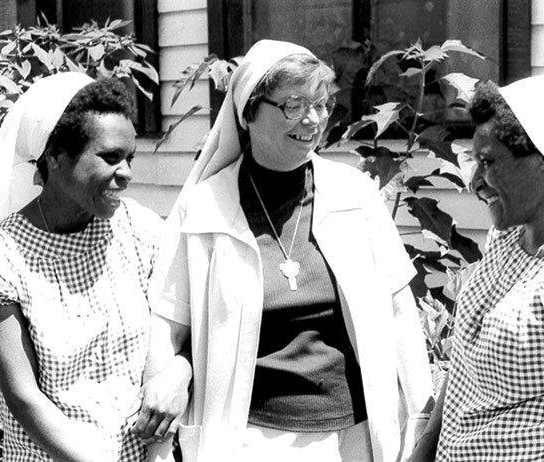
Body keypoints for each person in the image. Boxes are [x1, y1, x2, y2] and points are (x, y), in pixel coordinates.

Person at [146, 39, 434, 462]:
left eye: (321, 104)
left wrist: (423, 422)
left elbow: (398, 312)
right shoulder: (205, 207)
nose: (313, 119)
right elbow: (169, 326)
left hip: (356, 436)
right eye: (295, 104)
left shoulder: (354, 194)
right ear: (248, 112)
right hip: (248, 438)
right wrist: (159, 439)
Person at [0, 72, 190, 462]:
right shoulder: (0, 257)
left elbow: (184, 330)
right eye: (110, 157)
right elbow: (23, 397)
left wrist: (179, 372)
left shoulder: (142, 231)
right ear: (56, 156)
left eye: (129, 158)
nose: (127, 173)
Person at [409, 75, 544, 462]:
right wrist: (423, 451)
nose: (475, 181)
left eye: (489, 162)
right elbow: (462, 368)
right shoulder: (506, 239)